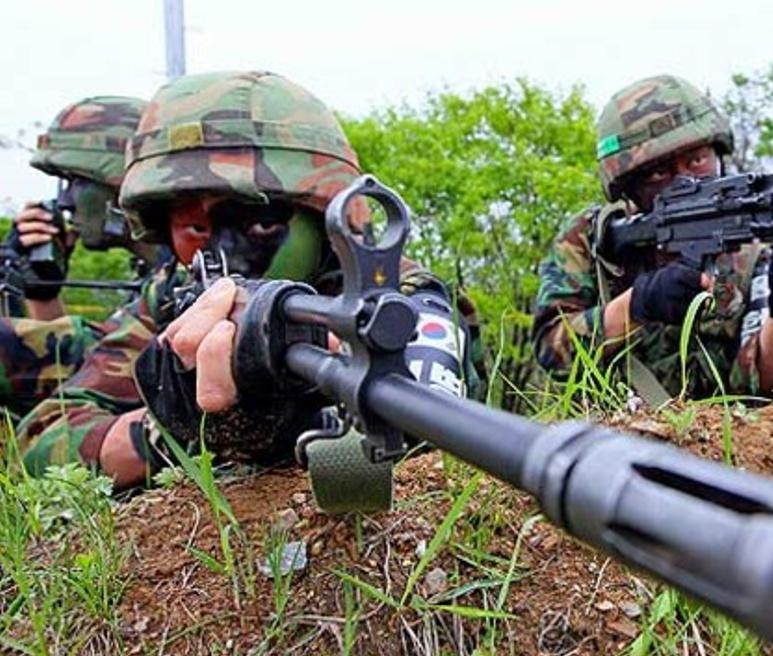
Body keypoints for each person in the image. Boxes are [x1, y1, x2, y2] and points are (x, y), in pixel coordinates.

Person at [16, 71, 479, 489]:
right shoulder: (171, 293)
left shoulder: (393, 296)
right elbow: (45, 436)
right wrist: (166, 430)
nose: (224, 258)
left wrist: (298, 412)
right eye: (194, 229)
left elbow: (420, 424)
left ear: (325, 220)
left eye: (259, 227)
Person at [533, 74, 773, 401]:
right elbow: (552, 353)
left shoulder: (751, 247)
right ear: (629, 184)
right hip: (610, 441)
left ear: (717, 154)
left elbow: (763, 385)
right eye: (659, 173)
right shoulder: (591, 239)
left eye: (696, 160)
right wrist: (636, 306)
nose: (685, 183)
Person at [0, 95, 157, 416]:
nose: (67, 202)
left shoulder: (192, 262)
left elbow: (106, 365)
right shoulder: (154, 269)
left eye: (76, 181)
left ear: (121, 183)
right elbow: (70, 374)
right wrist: (42, 287)